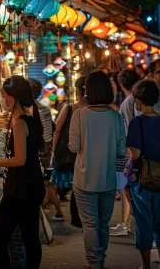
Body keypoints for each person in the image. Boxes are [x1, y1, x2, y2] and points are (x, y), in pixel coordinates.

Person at [0, 75, 45, 269]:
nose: (3, 98)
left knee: (3, 241)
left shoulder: (20, 123)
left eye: (4, 94)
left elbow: (20, 160)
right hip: (26, 187)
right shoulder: (23, 120)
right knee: (29, 238)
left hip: (22, 190)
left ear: (12, 96)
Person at [69, 71, 126, 269]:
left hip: (84, 180)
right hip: (108, 180)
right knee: (102, 224)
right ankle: (100, 259)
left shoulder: (79, 115)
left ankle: (94, 263)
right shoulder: (116, 117)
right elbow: (121, 152)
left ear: (88, 91)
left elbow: (73, 147)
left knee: (90, 225)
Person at [126, 80, 160, 269]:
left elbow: (135, 154)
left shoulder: (136, 122)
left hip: (143, 180)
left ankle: (146, 265)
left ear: (137, 101)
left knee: (144, 223)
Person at [28, 78, 64, 220]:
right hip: (45, 151)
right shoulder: (44, 108)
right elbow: (50, 133)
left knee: (35, 184)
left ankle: (35, 215)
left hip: (35, 152)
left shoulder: (28, 111)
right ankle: (58, 211)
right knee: (46, 183)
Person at [52, 76, 87, 220]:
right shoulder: (94, 111)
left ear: (77, 90)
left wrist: (54, 151)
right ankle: (82, 213)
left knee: (56, 182)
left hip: (67, 152)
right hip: (85, 154)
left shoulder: (70, 107)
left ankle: (61, 212)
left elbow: (58, 130)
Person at [110, 69, 139, 236]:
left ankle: (127, 223)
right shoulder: (135, 101)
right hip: (134, 151)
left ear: (121, 84)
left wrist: (129, 157)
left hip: (130, 152)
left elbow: (129, 130)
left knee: (125, 188)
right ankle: (126, 222)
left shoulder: (128, 103)